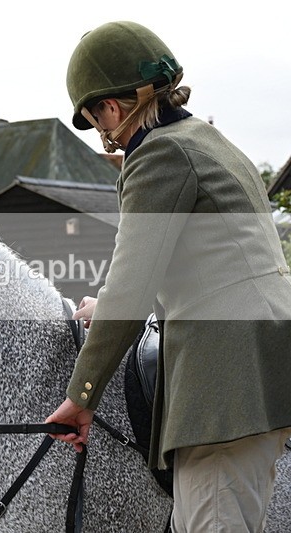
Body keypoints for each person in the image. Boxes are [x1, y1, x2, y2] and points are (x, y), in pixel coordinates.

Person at [46, 21, 291, 532]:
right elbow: (211, 267)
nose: (104, 137)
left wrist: (80, 397)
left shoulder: (159, 154)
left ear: (112, 107)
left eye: (96, 123)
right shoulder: (207, 139)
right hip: (254, 370)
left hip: (225, 385)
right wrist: (105, 308)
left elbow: (131, 283)